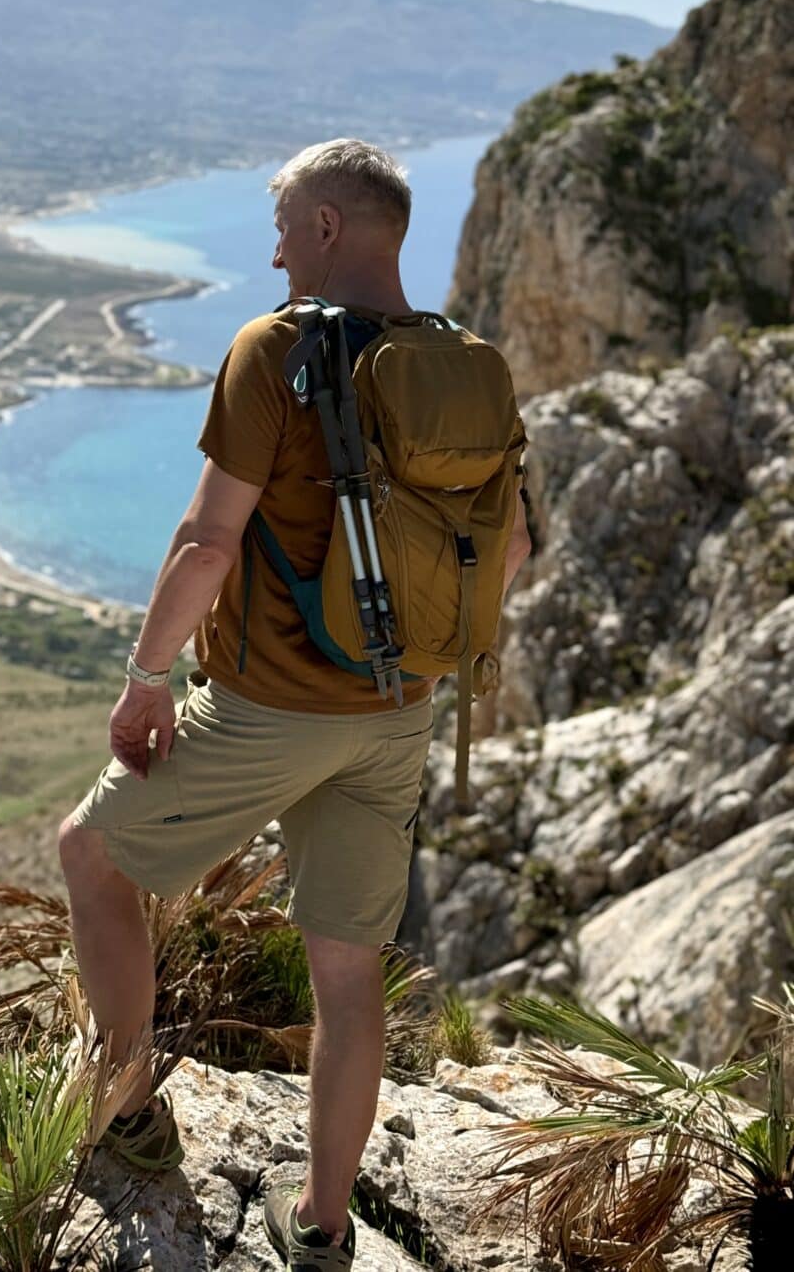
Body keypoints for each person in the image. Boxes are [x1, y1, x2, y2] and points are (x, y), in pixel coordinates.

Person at [59, 138, 531, 1270]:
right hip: (398, 712)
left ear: (326, 226)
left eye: (282, 228)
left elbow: (205, 541)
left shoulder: (274, 349)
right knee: (349, 974)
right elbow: (510, 544)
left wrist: (146, 679)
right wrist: (415, 661)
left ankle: (128, 1111)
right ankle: (321, 1225)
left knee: (91, 855)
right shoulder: (469, 363)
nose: (273, 253)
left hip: (269, 706)